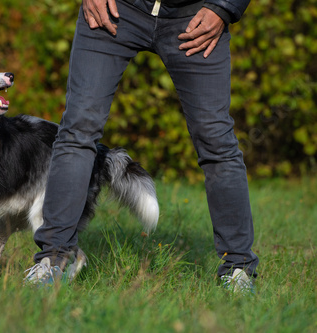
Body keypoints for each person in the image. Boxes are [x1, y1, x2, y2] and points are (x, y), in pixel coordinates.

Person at [24, 0, 259, 293]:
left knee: (217, 142)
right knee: (77, 130)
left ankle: (238, 268)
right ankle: (53, 259)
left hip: (196, 16)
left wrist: (224, 7)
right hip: (114, 8)